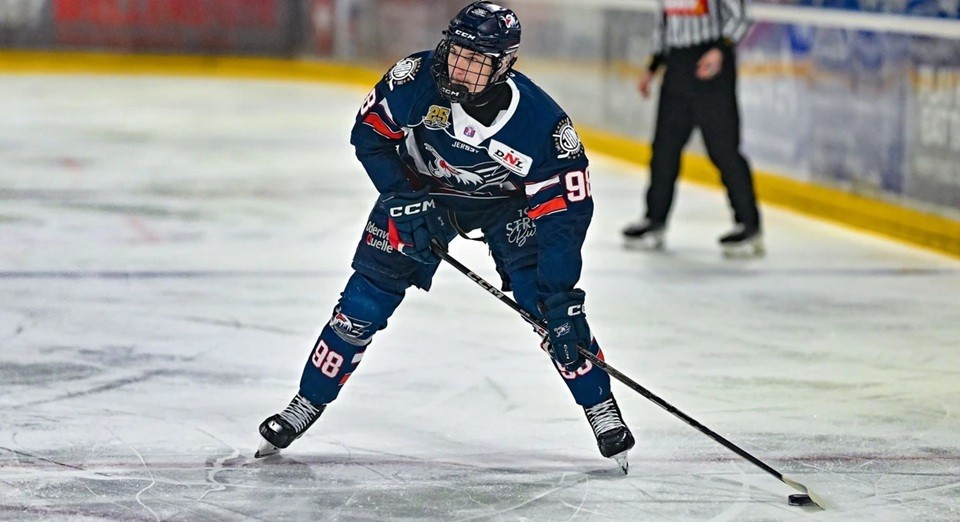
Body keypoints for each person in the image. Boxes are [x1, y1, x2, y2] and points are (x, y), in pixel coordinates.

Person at [256, 1, 635, 472]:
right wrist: (400, 195)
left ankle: (600, 407)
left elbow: (564, 219)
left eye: (476, 60)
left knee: (551, 311)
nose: (459, 66)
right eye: (457, 51)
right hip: (421, 192)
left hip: (505, 206)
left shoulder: (542, 127)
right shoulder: (416, 79)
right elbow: (370, 136)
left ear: (504, 65)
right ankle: (306, 401)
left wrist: (560, 296)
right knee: (363, 301)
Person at [622, 0, 764, 257]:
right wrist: (653, 67)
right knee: (664, 149)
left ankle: (748, 224)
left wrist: (720, 50)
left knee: (722, 149)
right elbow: (664, 24)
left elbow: (741, 16)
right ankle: (655, 219)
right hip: (677, 66)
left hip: (712, 67)